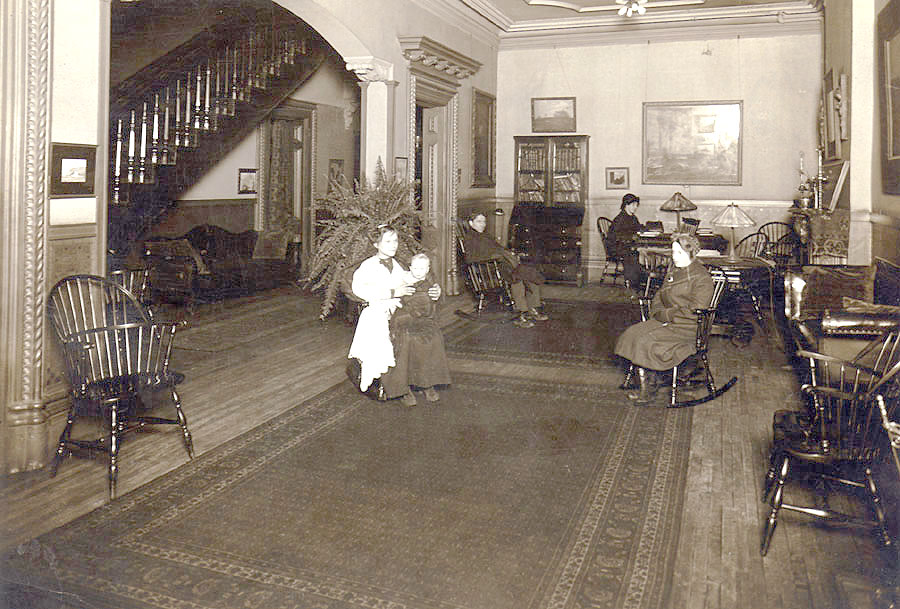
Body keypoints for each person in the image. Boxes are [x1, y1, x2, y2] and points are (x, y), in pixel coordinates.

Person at [347, 226, 450, 406]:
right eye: (387, 241)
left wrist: (435, 290)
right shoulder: (368, 266)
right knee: (404, 336)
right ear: (376, 244)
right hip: (378, 310)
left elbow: (415, 278)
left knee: (430, 333)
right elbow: (359, 290)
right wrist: (392, 291)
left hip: (402, 308)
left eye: (395, 240)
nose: (393, 245)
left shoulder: (397, 264)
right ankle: (402, 387)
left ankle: (426, 380)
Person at [614, 231, 714, 405]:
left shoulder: (702, 278)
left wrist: (667, 315)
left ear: (692, 253)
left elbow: (696, 310)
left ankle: (648, 390)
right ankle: (651, 381)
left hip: (688, 328)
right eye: (673, 252)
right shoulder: (675, 271)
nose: (674, 257)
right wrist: (660, 313)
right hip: (668, 321)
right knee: (633, 333)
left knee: (646, 340)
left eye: (679, 253)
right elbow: (659, 297)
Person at [461, 212, 548, 328]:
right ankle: (520, 314)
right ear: (471, 223)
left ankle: (532, 307)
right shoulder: (469, 239)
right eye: (479, 221)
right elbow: (471, 259)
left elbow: (499, 249)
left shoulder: (486, 236)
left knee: (530, 274)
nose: (482, 224)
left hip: (501, 266)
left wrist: (506, 254)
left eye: (484, 221)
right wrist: (496, 256)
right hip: (488, 271)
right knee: (517, 279)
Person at [607, 193, 645, 291]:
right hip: (617, 248)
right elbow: (615, 237)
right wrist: (631, 237)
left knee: (640, 253)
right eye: (633, 205)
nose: (635, 207)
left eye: (636, 205)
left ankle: (642, 282)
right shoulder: (620, 219)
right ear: (626, 205)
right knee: (632, 255)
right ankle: (634, 284)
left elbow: (637, 228)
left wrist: (643, 229)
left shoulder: (633, 218)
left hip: (627, 246)